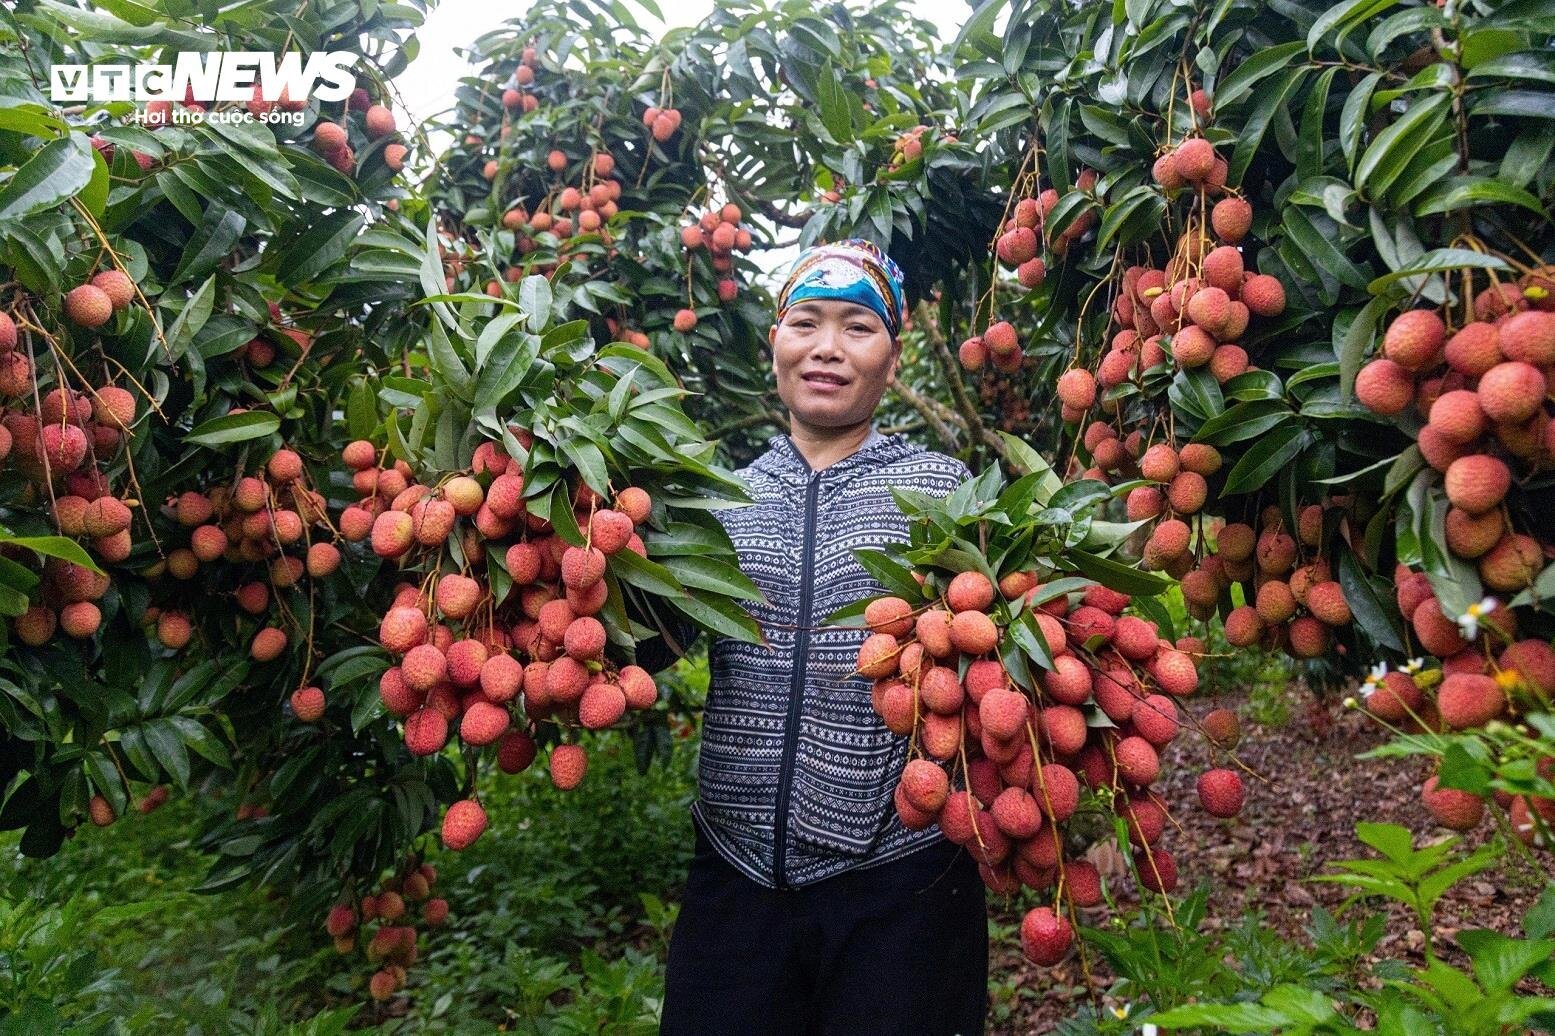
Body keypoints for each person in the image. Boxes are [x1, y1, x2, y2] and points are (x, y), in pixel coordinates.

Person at [642, 240, 987, 1035]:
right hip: (733, 880)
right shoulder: (714, 499)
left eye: (857, 327)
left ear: (891, 360)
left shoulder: (944, 494)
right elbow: (642, 643)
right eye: (806, 321)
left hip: (904, 882)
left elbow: (1007, 664)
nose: (827, 347)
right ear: (776, 342)